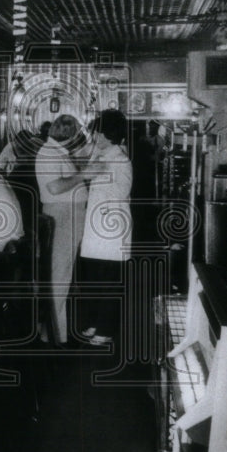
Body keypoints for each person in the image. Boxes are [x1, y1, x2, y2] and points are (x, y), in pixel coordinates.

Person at [77, 109, 133, 346]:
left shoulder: (120, 160)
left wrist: (101, 173)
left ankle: (107, 328)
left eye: (98, 132)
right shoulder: (100, 155)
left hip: (111, 230)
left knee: (109, 281)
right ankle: (96, 322)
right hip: (96, 228)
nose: (95, 137)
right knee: (95, 279)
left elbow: (122, 192)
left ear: (108, 134)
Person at [34, 114, 89, 345]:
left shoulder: (57, 151)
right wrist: (84, 175)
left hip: (68, 214)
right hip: (62, 214)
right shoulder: (48, 153)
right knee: (59, 276)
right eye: (77, 132)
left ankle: (55, 332)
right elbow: (55, 187)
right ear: (70, 134)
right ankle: (53, 336)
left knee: (61, 274)